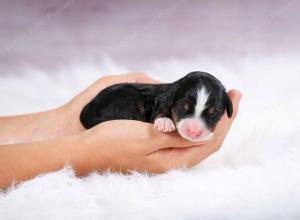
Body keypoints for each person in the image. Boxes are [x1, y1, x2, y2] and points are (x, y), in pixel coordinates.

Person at [0, 73, 242, 188]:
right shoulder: (162, 100)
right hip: (118, 101)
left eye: (211, 116)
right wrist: (90, 152)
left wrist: (63, 123)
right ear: (173, 99)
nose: (195, 127)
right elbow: (157, 112)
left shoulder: (176, 96)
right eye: (185, 110)